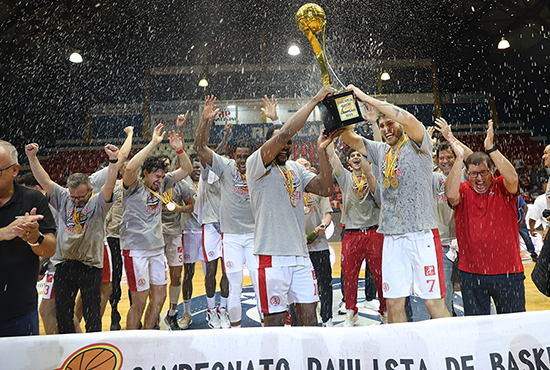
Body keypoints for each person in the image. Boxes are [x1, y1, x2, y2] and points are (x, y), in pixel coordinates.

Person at [340, 85, 450, 323]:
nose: (386, 129)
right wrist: (344, 106)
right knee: (393, 303)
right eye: (381, 125)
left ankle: (446, 352)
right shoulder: (381, 151)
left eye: (390, 123)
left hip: (421, 234)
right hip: (391, 236)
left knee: (433, 302)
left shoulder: (419, 142)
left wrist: (365, 97)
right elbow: (349, 137)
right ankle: (402, 356)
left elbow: (408, 118)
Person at [246, 85, 336, 326]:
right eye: (281, 144)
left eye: (289, 145)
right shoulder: (256, 165)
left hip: (300, 256)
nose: (286, 147)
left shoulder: (296, 168)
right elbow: (284, 133)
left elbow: (326, 189)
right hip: (271, 257)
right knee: (274, 322)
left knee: (310, 320)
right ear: (268, 146)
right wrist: (315, 100)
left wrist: (321, 152)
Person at [26, 142, 119, 333]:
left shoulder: (99, 203)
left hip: (90, 266)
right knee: (63, 315)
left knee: (93, 317)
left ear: (90, 191)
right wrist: (32, 157)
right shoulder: (63, 197)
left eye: (81, 198)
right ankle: (71, 355)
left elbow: (110, 184)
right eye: (73, 197)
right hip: (64, 265)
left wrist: (113, 161)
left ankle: (93, 354)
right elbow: (44, 181)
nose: (76, 201)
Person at [445, 120, 524, 315]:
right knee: (478, 331)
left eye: (483, 173)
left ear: (492, 171)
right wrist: (459, 158)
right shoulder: (462, 190)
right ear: (466, 173)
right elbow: (450, 195)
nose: (479, 179)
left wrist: (491, 149)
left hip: (508, 272)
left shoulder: (502, 186)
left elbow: (513, 178)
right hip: (472, 275)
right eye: (473, 174)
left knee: (514, 328)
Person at [194, 95, 260, 328]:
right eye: (239, 156)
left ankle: (265, 330)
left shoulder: (259, 168)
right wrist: (205, 121)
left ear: (253, 155)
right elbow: (199, 147)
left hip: (254, 236)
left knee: (259, 283)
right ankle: (235, 331)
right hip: (230, 236)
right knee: (234, 286)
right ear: (233, 156)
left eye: (246, 156)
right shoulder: (225, 166)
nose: (242, 161)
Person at [121, 123, 192, 330]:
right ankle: (132, 341)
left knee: (159, 298)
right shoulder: (133, 185)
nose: (159, 180)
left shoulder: (164, 183)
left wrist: (179, 149)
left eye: (162, 176)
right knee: (140, 301)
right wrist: (153, 143)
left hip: (156, 249)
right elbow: (130, 167)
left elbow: (186, 169)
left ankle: (147, 336)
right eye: (156, 176)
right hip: (135, 250)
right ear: (145, 174)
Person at [0, 140, 56, 337]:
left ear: (15, 170)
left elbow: (49, 249)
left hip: (21, 310)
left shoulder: (33, 199)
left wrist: (34, 238)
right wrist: (4, 232)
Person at [326, 142, 385, 326]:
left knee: (380, 275)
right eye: (353, 156)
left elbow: (379, 196)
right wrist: (329, 143)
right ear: (349, 162)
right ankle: (351, 311)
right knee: (349, 275)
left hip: (374, 231)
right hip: (351, 234)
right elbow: (333, 159)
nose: (357, 157)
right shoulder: (345, 177)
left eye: (360, 154)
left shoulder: (373, 175)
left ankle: (384, 310)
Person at [431, 118, 474, 315]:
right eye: (442, 158)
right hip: (442, 242)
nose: (446, 161)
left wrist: (450, 136)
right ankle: (448, 323)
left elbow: (473, 158)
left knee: (470, 285)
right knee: (445, 289)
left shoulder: (464, 173)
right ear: (436, 159)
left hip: (465, 240)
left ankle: (473, 319)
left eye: (450, 157)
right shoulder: (431, 177)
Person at [296, 157, 334, 327]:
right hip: (297, 248)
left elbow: (327, 213)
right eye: (300, 166)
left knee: (324, 284)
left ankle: (327, 319)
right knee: (297, 288)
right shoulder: (289, 189)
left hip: (319, 245)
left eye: (307, 165)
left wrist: (323, 225)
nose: (304, 168)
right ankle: (297, 322)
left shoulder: (318, 189)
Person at [160, 151, 195, 330]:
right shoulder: (151, 185)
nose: (165, 170)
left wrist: (177, 208)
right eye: (162, 166)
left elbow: (191, 207)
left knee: (176, 275)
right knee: (157, 280)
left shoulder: (180, 184)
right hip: (155, 236)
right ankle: (154, 313)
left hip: (174, 233)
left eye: (167, 166)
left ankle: (172, 313)